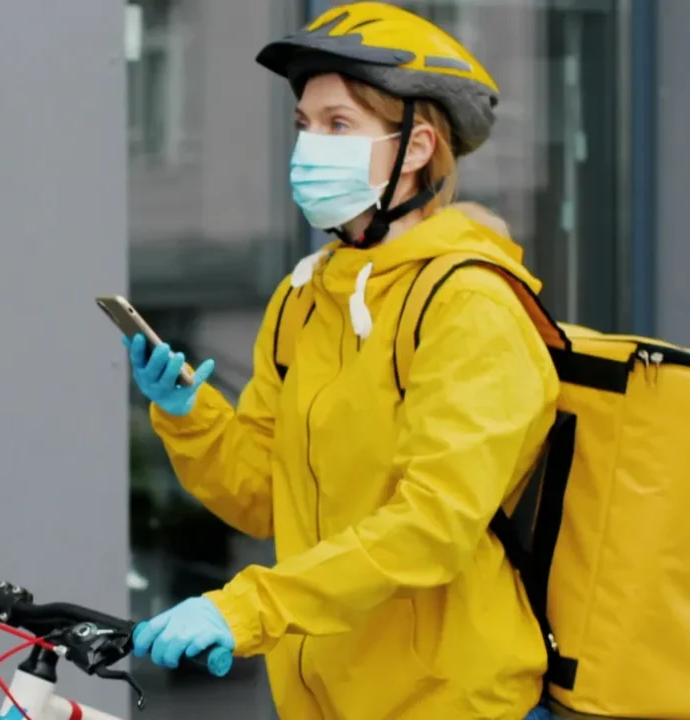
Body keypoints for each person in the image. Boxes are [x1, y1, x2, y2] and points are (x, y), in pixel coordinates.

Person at [126, 3, 558, 718]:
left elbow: (431, 529)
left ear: (417, 149)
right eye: (304, 124)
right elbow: (267, 498)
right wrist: (189, 415)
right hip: (326, 700)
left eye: (338, 125)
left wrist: (248, 608)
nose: (308, 148)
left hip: (452, 703)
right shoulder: (304, 298)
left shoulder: (469, 306)